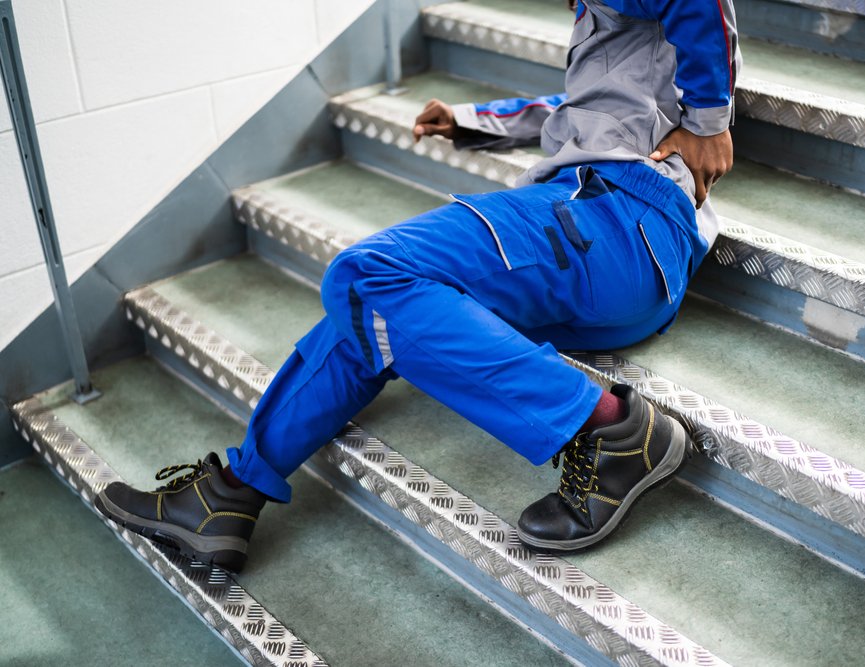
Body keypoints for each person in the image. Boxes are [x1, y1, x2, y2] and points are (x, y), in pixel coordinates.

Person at [96, 0, 739, 572]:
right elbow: (589, 109)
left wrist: (710, 120)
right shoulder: (615, 27)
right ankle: (230, 496)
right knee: (368, 315)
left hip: (612, 217)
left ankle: (609, 428)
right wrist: (476, 120)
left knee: (372, 271)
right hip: (625, 275)